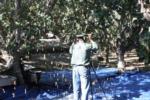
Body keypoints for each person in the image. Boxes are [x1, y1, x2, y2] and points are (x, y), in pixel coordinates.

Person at [69, 32, 98, 100]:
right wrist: (90, 39)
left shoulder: (74, 46)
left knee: (76, 88)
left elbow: (70, 51)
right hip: (83, 68)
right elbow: (96, 47)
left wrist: (73, 42)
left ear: (77, 39)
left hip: (75, 68)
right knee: (84, 88)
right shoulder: (86, 46)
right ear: (84, 38)